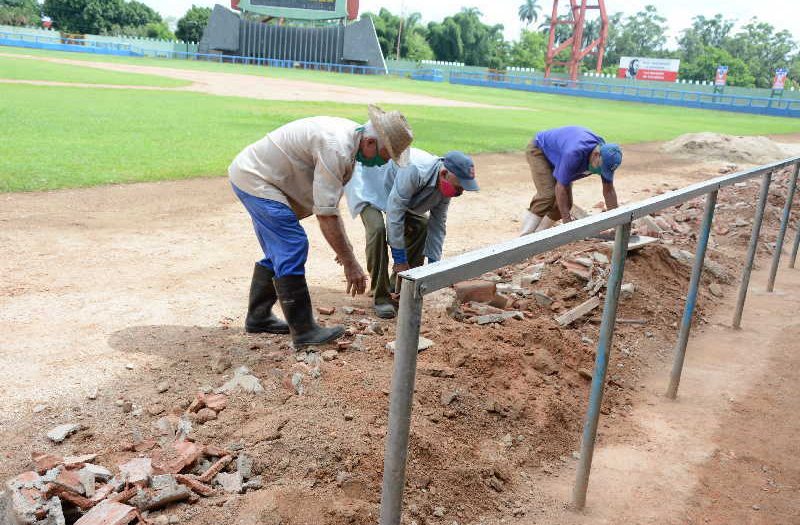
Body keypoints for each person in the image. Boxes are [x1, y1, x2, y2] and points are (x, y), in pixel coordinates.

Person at [229, 105, 413, 346]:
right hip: (257, 179)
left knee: (281, 249)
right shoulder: (336, 148)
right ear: (369, 142)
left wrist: (344, 251)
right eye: (385, 155)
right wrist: (350, 262)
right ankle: (304, 332)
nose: (382, 162)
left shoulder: (350, 140)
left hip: (262, 177)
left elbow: (330, 208)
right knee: (292, 244)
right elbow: (326, 215)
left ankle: (259, 317)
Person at [345, 149, 479, 318]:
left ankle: (400, 286)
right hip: (369, 186)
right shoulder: (414, 169)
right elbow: (395, 214)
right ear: (444, 174)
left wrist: (434, 266)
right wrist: (400, 260)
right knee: (378, 229)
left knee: (421, 224)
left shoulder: (446, 187)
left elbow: (437, 225)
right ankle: (381, 296)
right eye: (459, 187)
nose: (460, 193)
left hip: (396, 193)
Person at [520, 126, 622, 235]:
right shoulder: (574, 153)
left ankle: (539, 234)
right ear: (596, 155)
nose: (600, 172)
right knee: (548, 195)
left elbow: (609, 191)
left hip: (561, 154)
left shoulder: (607, 156)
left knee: (565, 205)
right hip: (540, 150)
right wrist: (568, 224)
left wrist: (617, 226)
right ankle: (524, 238)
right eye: (601, 168)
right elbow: (560, 188)